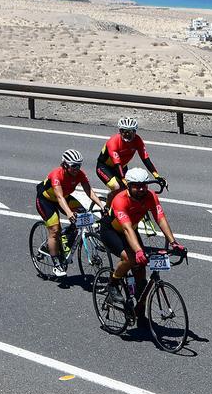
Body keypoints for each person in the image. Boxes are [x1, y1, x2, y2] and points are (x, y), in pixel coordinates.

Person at [97, 168, 185, 324]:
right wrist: (138, 251)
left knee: (141, 276)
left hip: (131, 229)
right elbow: (126, 228)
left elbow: (160, 218)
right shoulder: (120, 200)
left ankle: (140, 311)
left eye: (144, 185)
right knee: (130, 258)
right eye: (137, 186)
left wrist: (173, 242)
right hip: (112, 230)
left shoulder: (150, 196)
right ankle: (113, 283)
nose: (141, 189)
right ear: (129, 186)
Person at [34, 149, 106, 277]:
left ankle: (65, 239)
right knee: (55, 229)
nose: (77, 168)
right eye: (74, 165)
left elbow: (89, 191)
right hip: (47, 200)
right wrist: (68, 213)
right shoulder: (56, 175)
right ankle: (57, 265)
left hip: (64, 197)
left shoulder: (80, 174)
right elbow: (60, 197)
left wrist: (101, 205)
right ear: (65, 165)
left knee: (83, 215)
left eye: (79, 165)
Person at [94, 117, 165, 193]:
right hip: (105, 167)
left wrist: (156, 176)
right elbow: (117, 163)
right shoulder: (113, 142)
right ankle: (109, 205)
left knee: (132, 190)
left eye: (130, 132)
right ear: (120, 131)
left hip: (122, 167)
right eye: (124, 132)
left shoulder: (137, 140)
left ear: (135, 132)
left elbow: (145, 159)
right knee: (116, 187)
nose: (127, 134)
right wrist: (123, 179)